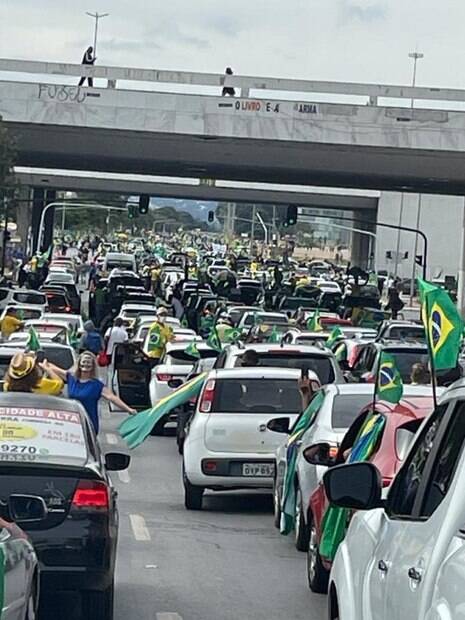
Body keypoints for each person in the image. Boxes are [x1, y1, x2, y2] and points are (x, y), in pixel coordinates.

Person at [44, 352, 136, 434]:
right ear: (79, 364)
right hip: (72, 422)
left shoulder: (97, 385)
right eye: (84, 361)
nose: (86, 364)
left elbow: (112, 397)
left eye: (89, 362)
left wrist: (129, 409)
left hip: (88, 423)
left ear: (93, 366)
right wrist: (42, 363)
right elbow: (51, 367)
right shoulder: (71, 378)